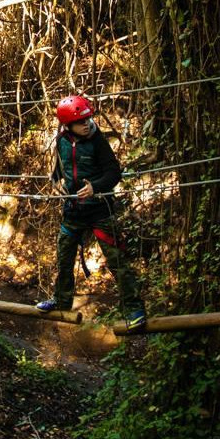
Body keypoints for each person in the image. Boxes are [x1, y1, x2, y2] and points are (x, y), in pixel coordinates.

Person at [36, 94, 147, 332]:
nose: (87, 124)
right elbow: (57, 171)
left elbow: (114, 173)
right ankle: (61, 301)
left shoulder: (98, 141)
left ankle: (135, 309)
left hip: (100, 211)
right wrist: (57, 184)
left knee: (117, 261)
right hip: (73, 210)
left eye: (88, 119)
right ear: (69, 125)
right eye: (81, 121)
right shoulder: (61, 140)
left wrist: (95, 187)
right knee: (64, 257)